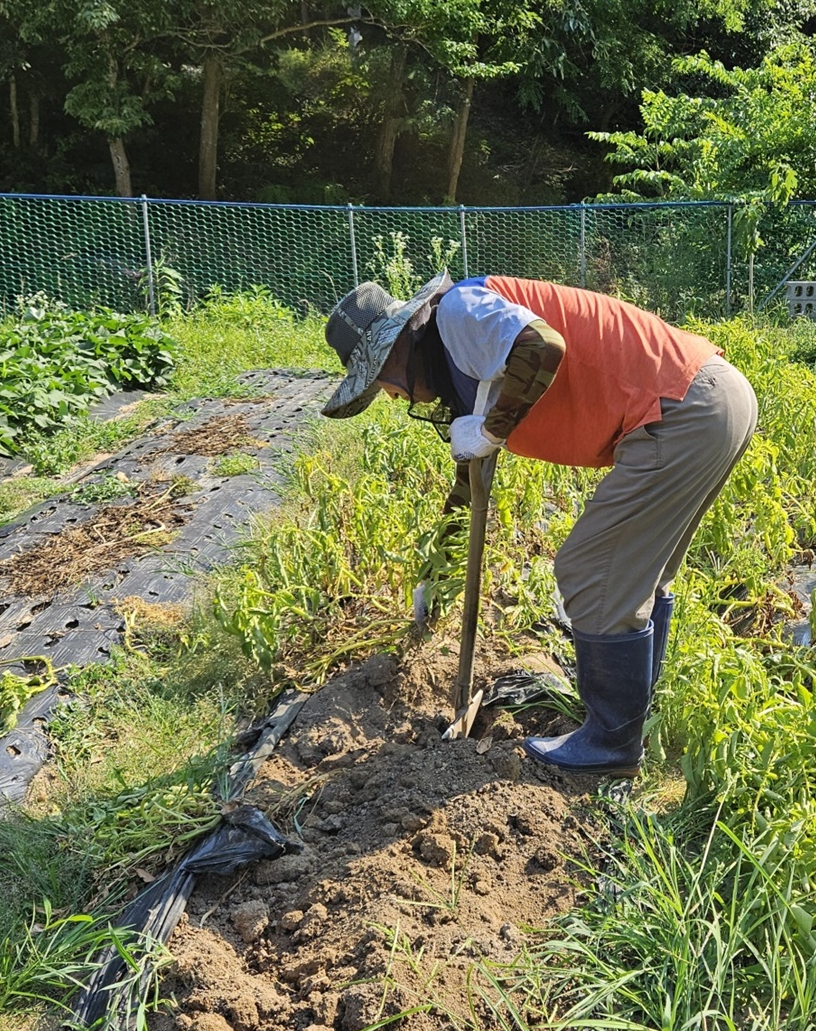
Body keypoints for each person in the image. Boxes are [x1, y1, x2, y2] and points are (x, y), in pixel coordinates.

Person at [320, 271, 758, 777]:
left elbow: (542, 344)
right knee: (640, 576)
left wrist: (490, 429)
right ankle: (630, 720)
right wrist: (434, 572)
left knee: (591, 570)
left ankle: (611, 745)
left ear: (400, 347)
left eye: (382, 380)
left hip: (683, 408)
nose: (394, 397)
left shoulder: (459, 313)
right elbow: (471, 479)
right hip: (707, 400)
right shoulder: (465, 364)